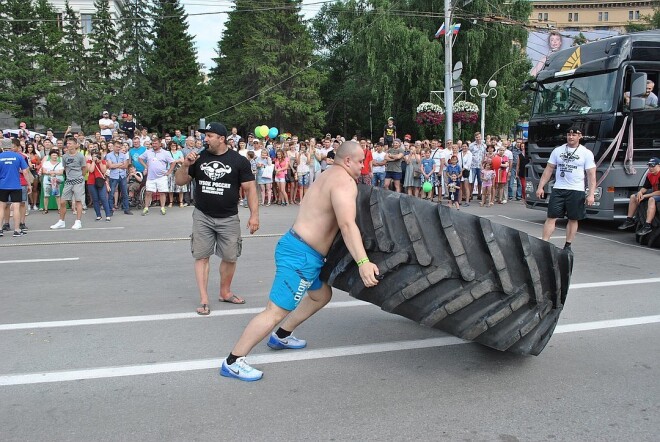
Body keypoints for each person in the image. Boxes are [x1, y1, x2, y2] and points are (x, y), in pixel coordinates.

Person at [220, 141, 380, 381]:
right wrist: (363, 262)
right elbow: (347, 225)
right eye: (360, 161)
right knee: (275, 311)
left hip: (304, 251)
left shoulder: (328, 175)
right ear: (347, 160)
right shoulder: (344, 182)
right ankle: (233, 361)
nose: (363, 166)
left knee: (320, 295)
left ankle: (282, 335)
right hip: (300, 255)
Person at [175, 122, 259, 315]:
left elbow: (250, 189)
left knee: (230, 257)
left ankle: (225, 292)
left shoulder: (239, 161)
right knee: (202, 256)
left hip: (229, 217)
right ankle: (204, 299)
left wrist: (254, 215)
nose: (205, 139)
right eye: (205, 136)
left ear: (221, 139)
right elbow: (180, 181)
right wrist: (186, 165)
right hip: (202, 215)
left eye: (209, 136)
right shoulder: (198, 158)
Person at [536, 126, 596, 251]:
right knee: (551, 216)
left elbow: (591, 175)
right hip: (559, 188)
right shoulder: (558, 151)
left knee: (573, 218)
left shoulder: (586, 153)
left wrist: (591, 194)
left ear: (580, 136)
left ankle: (568, 245)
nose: (571, 137)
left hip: (576, 190)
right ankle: (544, 243)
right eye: (569, 134)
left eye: (574, 135)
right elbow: (549, 169)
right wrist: (540, 187)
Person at [617, 157, 660, 236]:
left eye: (653, 166)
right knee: (634, 196)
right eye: (649, 166)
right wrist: (640, 192)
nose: (650, 168)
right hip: (655, 192)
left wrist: (646, 195)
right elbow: (645, 187)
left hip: (657, 194)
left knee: (651, 199)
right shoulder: (650, 175)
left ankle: (647, 225)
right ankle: (629, 220)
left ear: (659, 166)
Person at [50, 137, 86, 230]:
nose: (68, 145)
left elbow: (84, 169)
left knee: (78, 201)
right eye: (68, 144)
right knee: (62, 201)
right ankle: (61, 221)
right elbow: (65, 168)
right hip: (68, 181)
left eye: (70, 143)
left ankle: (78, 221)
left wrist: (79, 177)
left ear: (75, 144)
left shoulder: (80, 156)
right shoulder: (65, 156)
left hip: (78, 180)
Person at [0, 138, 32, 237]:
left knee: (1, 207)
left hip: (2, 185)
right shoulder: (18, 156)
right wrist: (29, 184)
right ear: (11, 146)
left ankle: (0, 229)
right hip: (16, 185)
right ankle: (17, 230)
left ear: (2, 146)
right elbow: (25, 171)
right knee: (16, 207)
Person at [138, 136, 175, 215]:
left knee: (162, 192)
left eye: (156, 143)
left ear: (160, 144)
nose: (154, 145)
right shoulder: (148, 152)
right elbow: (140, 158)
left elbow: (173, 162)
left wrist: (169, 172)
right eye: (153, 143)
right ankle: (146, 208)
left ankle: (162, 207)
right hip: (151, 177)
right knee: (148, 192)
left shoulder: (165, 153)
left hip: (162, 177)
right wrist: (145, 166)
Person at [106, 141, 132, 215]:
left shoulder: (123, 155)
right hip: (113, 176)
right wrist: (120, 164)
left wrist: (115, 165)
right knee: (111, 193)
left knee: (125, 193)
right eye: (117, 147)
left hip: (122, 176)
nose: (118, 148)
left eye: (119, 147)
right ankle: (110, 210)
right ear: (113, 146)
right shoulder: (109, 155)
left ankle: (126, 209)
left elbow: (125, 166)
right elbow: (110, 166)